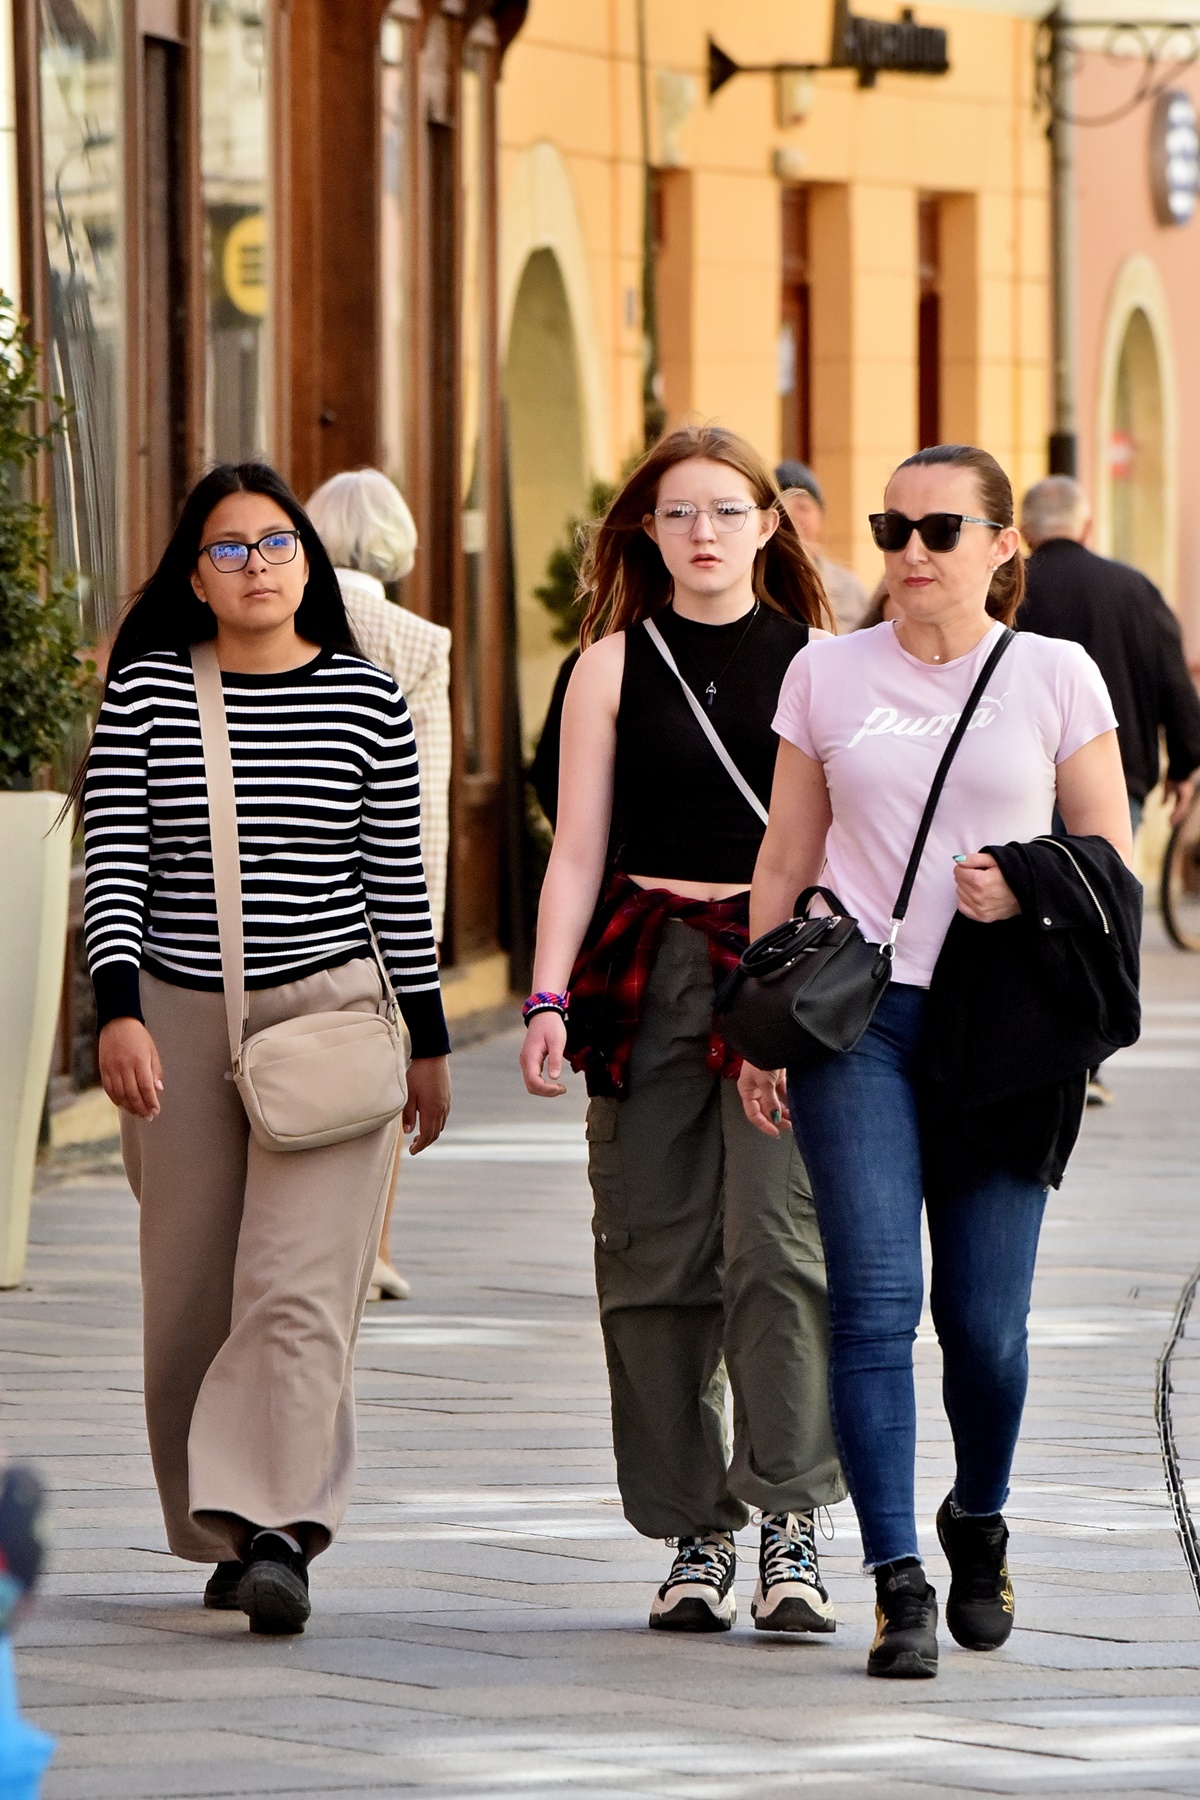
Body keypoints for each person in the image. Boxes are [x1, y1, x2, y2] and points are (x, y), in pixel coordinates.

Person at [745, 443, 1130, 1679]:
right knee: (872, 1302)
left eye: (942, 530)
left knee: (987, 1328)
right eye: (893, 528)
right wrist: (760, 1028)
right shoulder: (825, 671)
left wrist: (1021, 885)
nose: (912, 551)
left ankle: (979, 1516)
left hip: (1006, 1030)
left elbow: (1111, 859)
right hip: (856, 1023)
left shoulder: (1056, 674)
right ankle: (897, 1578)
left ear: (1003, 545)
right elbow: (784, 856)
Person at [80, 463, 451, 1636]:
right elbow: (115, 860)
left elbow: (396, 883)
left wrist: (427, 1044)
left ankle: (281, 1528)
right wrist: (117, 1011)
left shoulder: (365, 698)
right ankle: (223, 1525)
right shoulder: (150, 691)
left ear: (309, 562)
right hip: (179, 1019)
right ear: (196, 576)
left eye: (277, 544)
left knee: (300, 1286)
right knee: (191, 1296)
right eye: (229, 548)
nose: (256, 566)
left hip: (331, 1020)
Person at [520, 423, 845, 1636]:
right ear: (646, 533)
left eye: (725, 510)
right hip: (644, 970)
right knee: (651, 1255)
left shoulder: (825, 664)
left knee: (779, 1250)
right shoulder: (608, 666)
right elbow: (577, 851)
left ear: (769, 525)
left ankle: (791, 1520)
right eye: (677, 513)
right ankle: (695, 1530)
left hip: (781, 976)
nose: (702, 532)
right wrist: (545, 997)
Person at [307, 468, 452, 1300]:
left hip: (289, 900)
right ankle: (375, 1249)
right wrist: (422, 928)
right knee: (379, 1070)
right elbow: (425, 797)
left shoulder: (287, 618)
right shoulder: (420, 642)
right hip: (384, 901)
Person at [1019, 475, 1200, 843]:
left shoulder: (1007, 589)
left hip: (1023, 779)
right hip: (1117, 778)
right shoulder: (1135, 589)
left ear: (1022, 533)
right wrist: (1184, 766)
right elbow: (1173, 681)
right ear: (1086, 526)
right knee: (1100, 879)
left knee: (1026, 880)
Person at [776, 459, 870, 633]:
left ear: (820, 516)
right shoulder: (752, 582)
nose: (792, 517)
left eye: (803, 507)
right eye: (782, 507)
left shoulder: (847, 588)